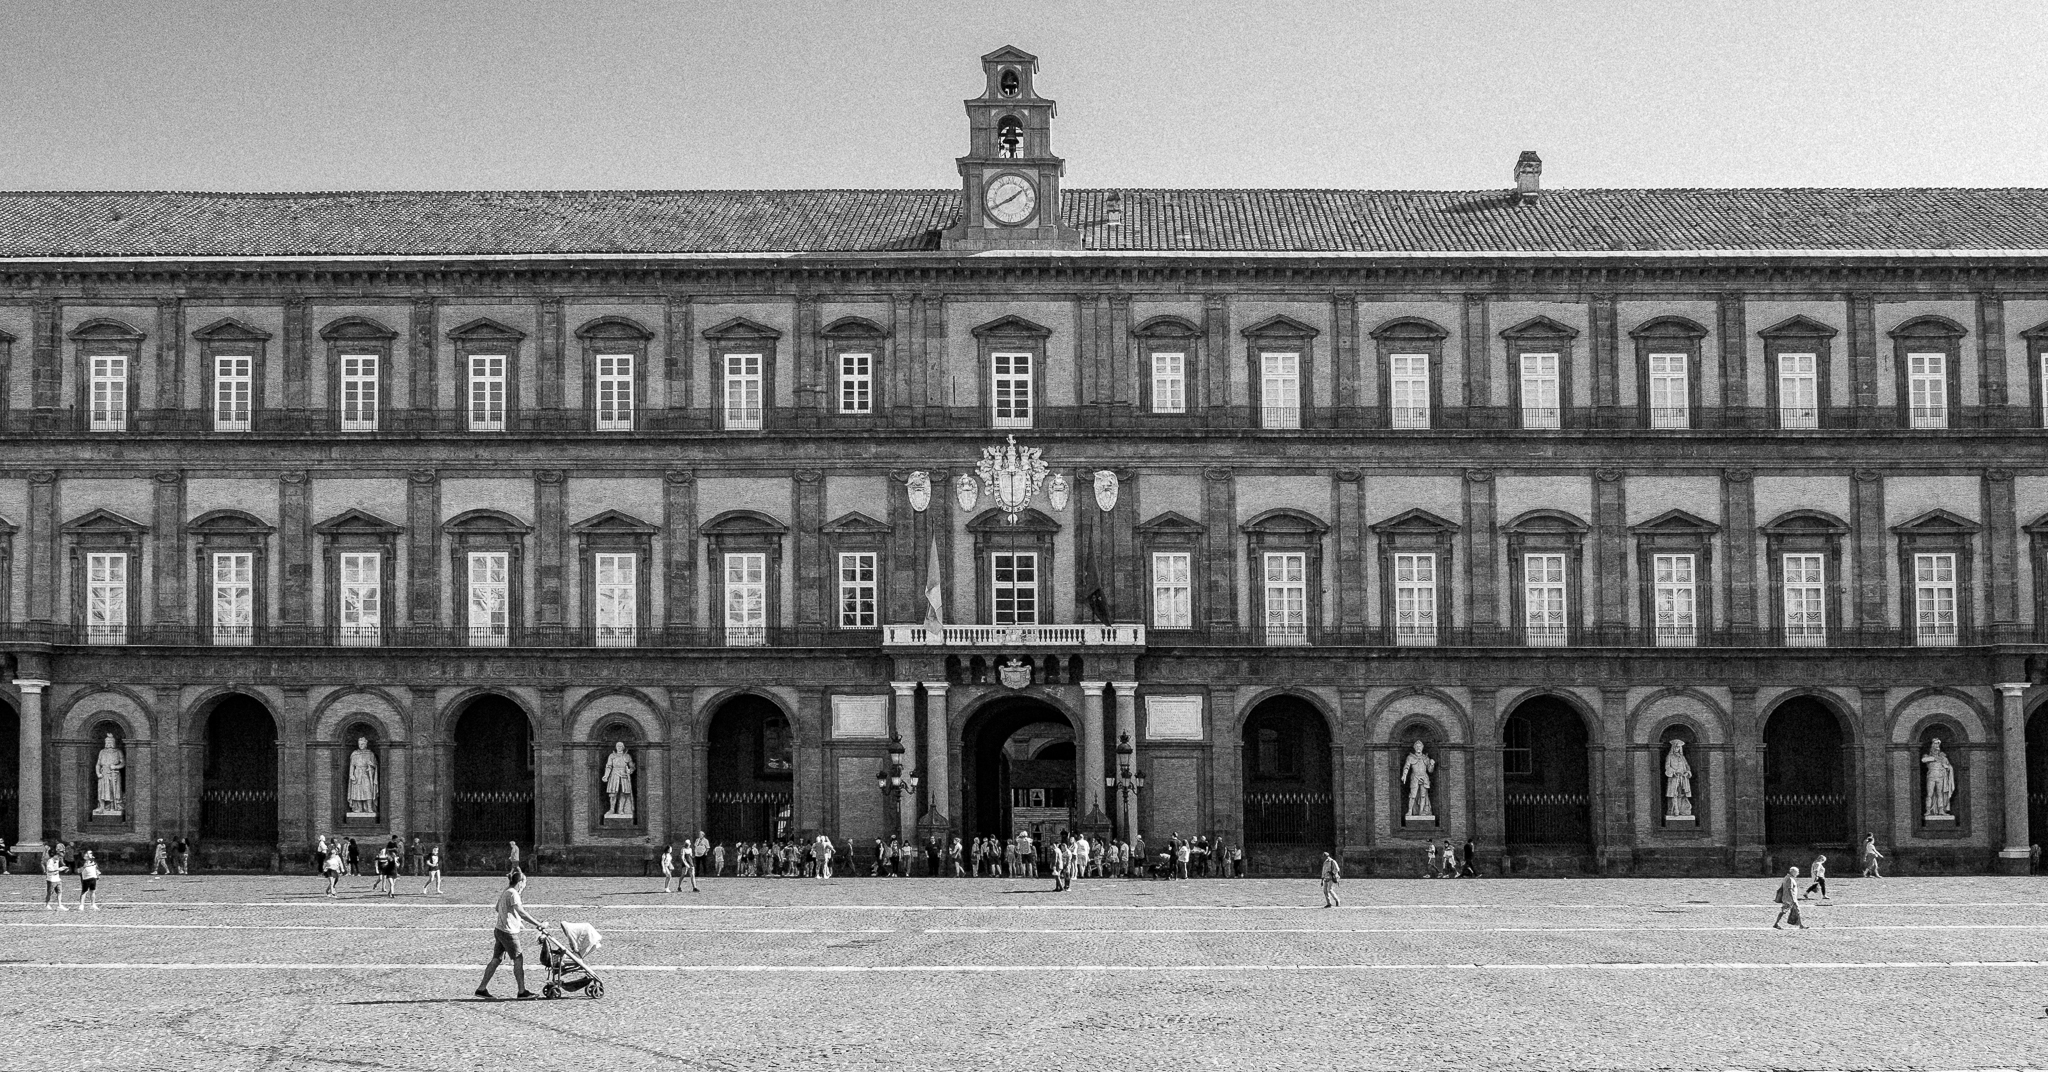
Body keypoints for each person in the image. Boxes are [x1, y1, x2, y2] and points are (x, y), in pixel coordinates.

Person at [476, 871, 544, 1000]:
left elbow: (498, 908)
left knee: (497, 959)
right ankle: (522, 991)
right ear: (520, 882)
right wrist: (538, 924)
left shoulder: (506, 891)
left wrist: (514, 919)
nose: (524, 886)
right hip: (508, 933)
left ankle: (481, 988)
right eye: (524, 883)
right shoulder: (513, 893)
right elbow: (521, 912)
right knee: (518, 958)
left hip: (499, 930)